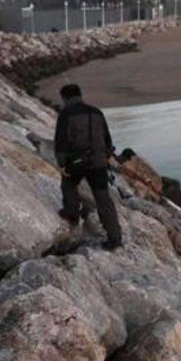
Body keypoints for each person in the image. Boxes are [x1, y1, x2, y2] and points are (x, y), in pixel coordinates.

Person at [54, 84, 123, 250]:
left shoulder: (65, 114)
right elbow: (107, 139)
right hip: (98, 162)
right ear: (80, 94)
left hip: (77, 162)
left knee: (68, 183)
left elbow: (61, 141)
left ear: (64, 97)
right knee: (103, 199)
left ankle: (72, 215)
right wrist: (105, 156)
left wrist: (62, 164)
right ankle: (115, 238)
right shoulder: (96, 112)